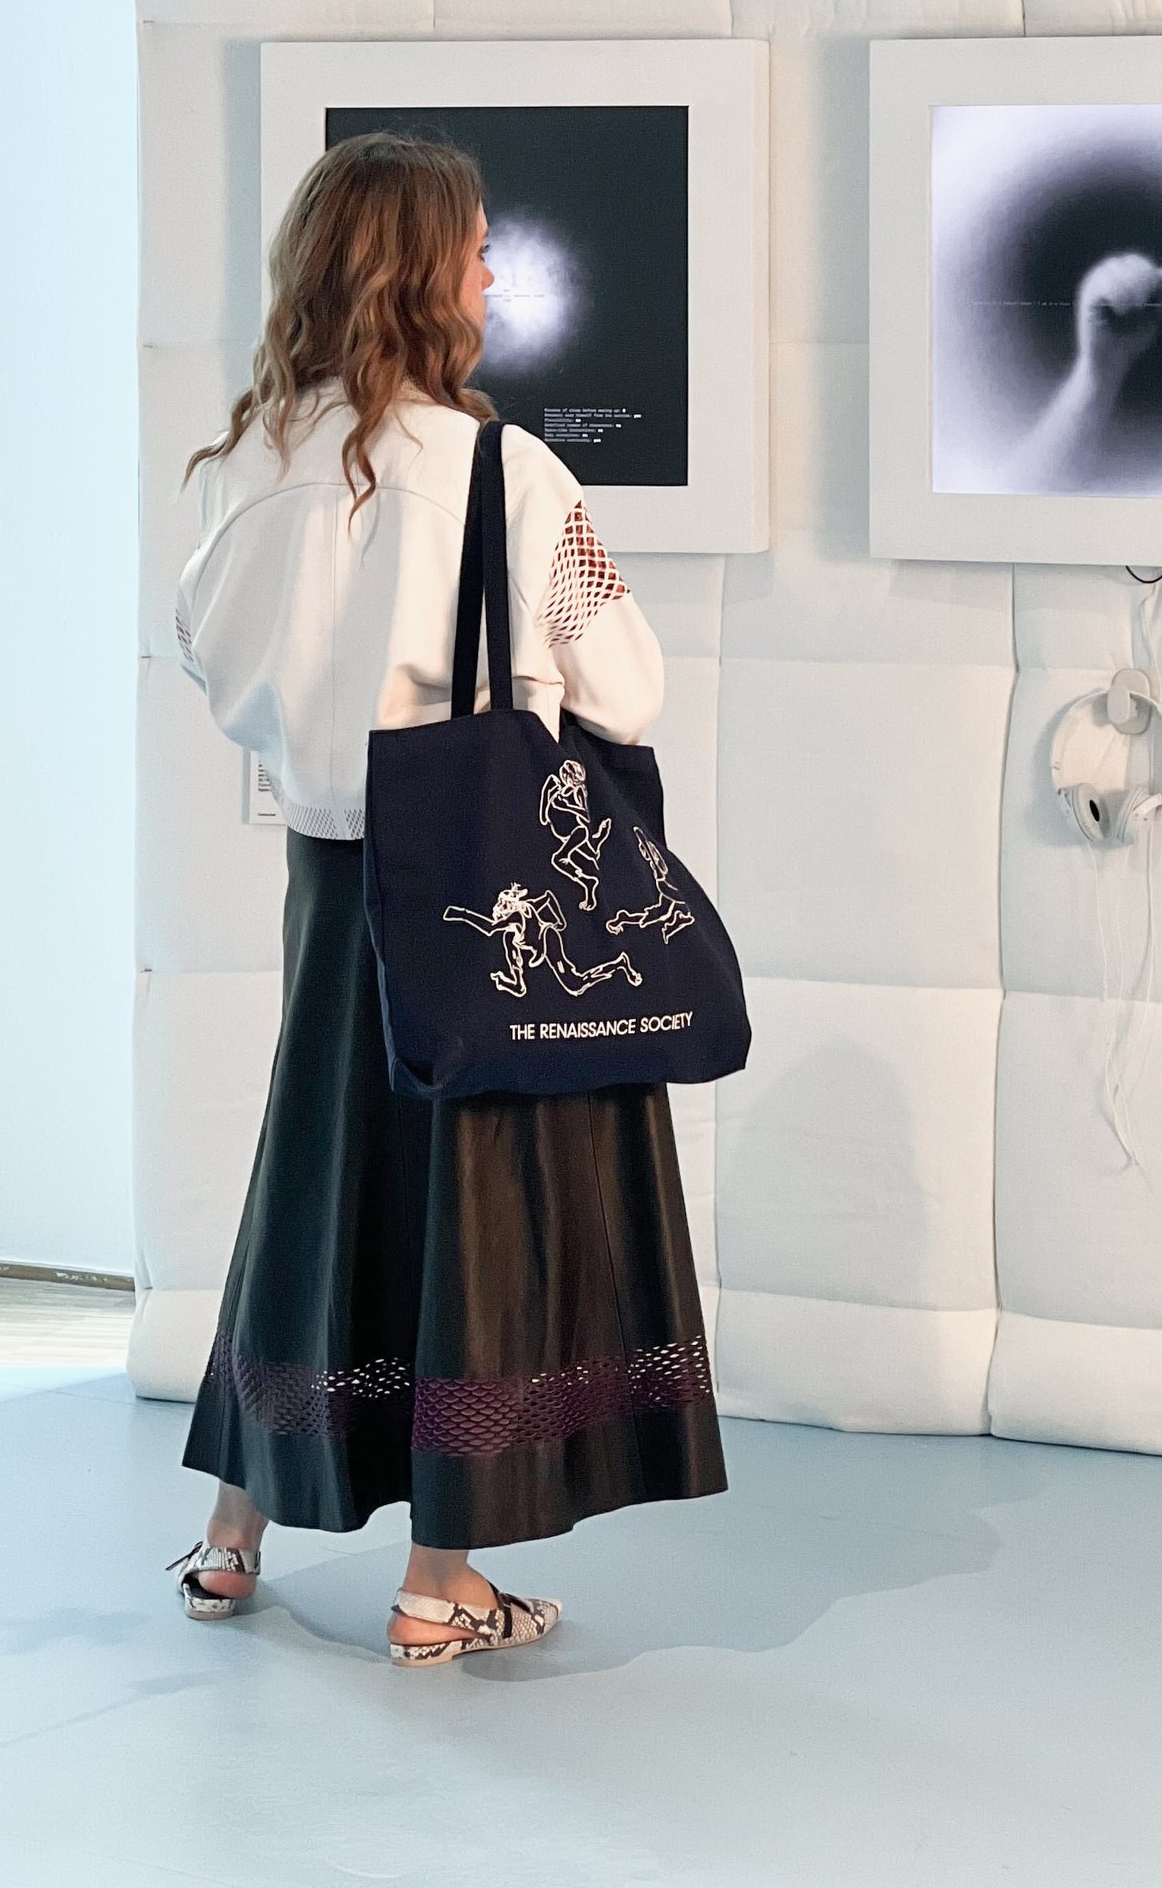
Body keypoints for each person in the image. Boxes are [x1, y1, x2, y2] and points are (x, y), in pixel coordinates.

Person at [167, 132, 724, 1665]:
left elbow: (207, 651)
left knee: (311, 1185)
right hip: (481, 874)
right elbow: (628, 683)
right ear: (424, 276)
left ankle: (230, 1539)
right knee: (470, 1209)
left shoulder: (244, 466)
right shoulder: (507, 475)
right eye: (474, 250)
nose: (489, 275)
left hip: (329, 874)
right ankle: (440, 1582)